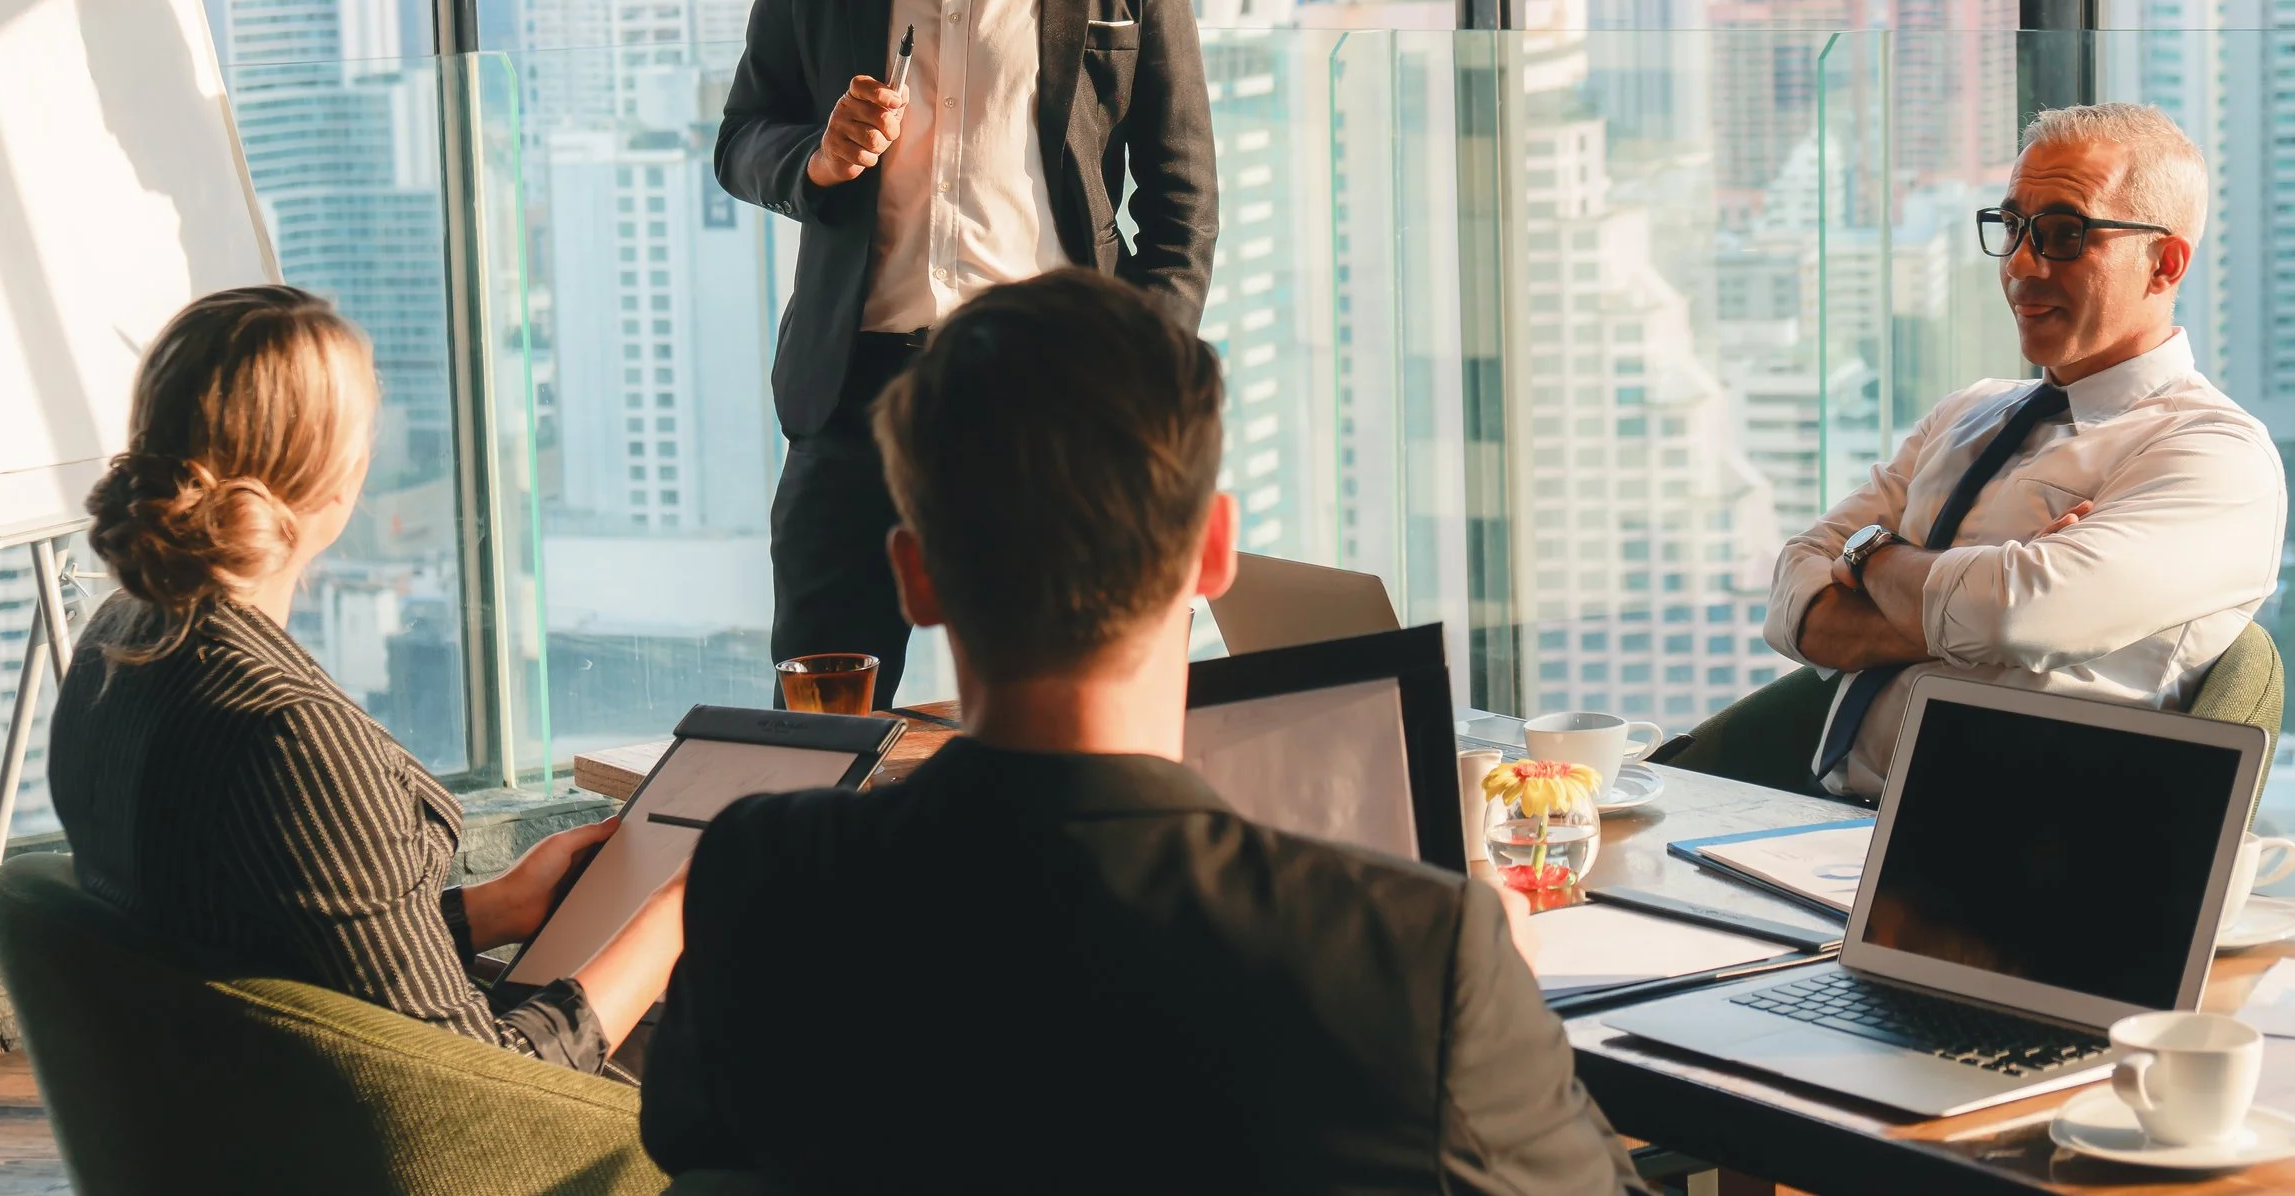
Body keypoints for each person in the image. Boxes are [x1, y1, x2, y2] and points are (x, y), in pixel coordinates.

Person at [639, 270, 1643, 1194]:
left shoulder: (766, 883)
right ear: (1213, 548)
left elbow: (701, 1159)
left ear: (915, 575)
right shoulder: (1418, 955)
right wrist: (1499, 989)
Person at [714, 0, 1217, 709]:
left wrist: (1129, 393)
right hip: (854, 400)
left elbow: (1180, 208)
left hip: (1053, 396)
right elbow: (745, 136)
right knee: (824, 732)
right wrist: (819, 157)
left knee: (1063, 718)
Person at [49, 285, 683, 1074]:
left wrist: (495, 908)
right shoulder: (287, 735)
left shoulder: (119, 644)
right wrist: (673, 919)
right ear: (337, 480)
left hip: (222, 1113)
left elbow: (271, 958)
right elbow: (473, 1087)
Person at [1662, 104, 2286, 799]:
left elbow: (2018, 612)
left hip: (2005, 863)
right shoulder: (1967, 413)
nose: (2021, 262)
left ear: (2164, 264)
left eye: (2062, 234)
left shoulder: (2216, 458)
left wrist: (1867, 557)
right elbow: (1792, 598)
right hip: (1815, 820)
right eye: (2014, 226)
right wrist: (1974, 604)